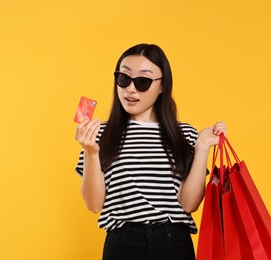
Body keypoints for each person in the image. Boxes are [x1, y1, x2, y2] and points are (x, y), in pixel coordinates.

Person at [74, 43, 226, 260]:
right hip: (123, 243)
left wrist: (202, 148)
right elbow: (93, 204)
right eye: (124, 79)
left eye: (143, 81)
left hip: (173, 242)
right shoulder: (100, 133)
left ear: (162, 86)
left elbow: (189, 204)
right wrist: (90, 153)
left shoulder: (184, 134)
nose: (131, 89)